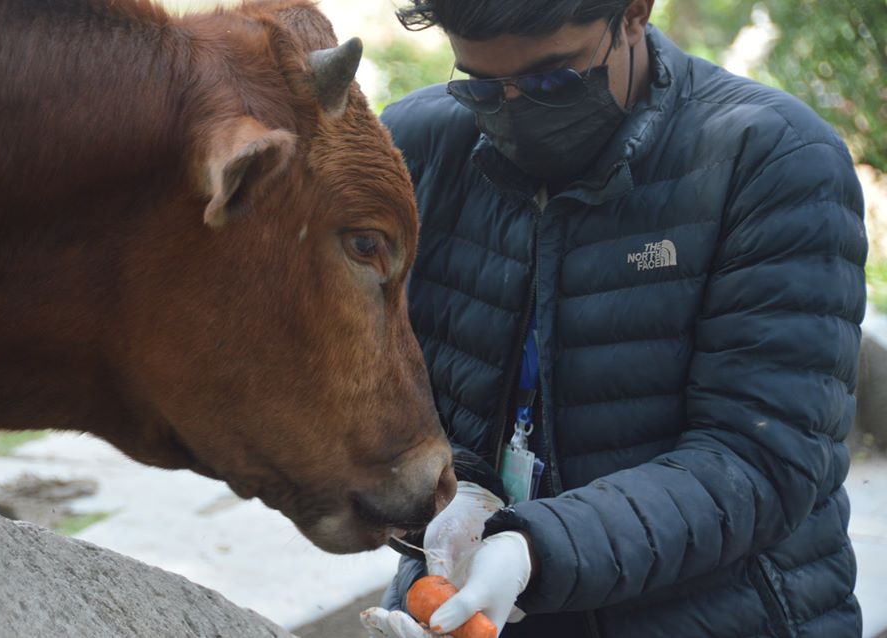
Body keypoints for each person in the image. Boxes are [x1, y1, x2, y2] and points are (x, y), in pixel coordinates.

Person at [359, 0, 867, 637]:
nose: (515, 109)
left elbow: (759, 461)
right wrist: (456, 487)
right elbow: (377, 390)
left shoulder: (770, 160)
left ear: (633, 13)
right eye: (483, 87)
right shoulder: (417, 147)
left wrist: (534, 548)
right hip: (464, 607)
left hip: (714, 613)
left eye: (552, 80)